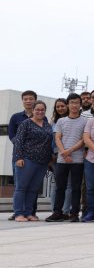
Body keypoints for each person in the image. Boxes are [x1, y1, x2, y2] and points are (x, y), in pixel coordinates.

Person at [46, 93, 87, 223]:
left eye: (76, 102)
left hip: (78, 159)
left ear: (80, 105)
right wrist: (63, 152)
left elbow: (83, 140)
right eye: (71, 102)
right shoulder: (61, 121)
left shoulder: (85, 121)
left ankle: (74, 214)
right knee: (60, 187)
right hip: (62, 159)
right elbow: (57, 137)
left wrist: (69, 151)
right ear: (68, 104)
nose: (74, 105)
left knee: (76, 187)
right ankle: (57, 212)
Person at [12, 100, 52, 222]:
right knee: (21, 187)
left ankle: (29, 213)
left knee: (33, 189)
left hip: (42, 162)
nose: (40, 112)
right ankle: (19, 213)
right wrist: (18, 158)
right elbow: (18, 141)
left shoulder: (47, 125)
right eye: (37, 109)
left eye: (42, 110)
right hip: (27, 160)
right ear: (33, 110)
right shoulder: (26, 123)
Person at [7, 90, 37, 221]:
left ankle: (30, 212)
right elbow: (11, 135)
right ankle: (17, 212)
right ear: (23, 101)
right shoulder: (16, 117)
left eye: (31, 99)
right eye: (26, 99)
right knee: (19, 185)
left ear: (35, 100)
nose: (28, 101)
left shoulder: (41, 116)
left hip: (35, 157)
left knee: (33, 185)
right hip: (19, 156)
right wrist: (22, 147)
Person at [48, 98, 70, 216]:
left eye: (62, 106)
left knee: (69, 185)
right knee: (56, 184)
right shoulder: (53, 122)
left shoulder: (72, 119)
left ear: (67, 106)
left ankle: (66, 211)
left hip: (71, 155)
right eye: (58, 106)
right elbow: (50, 140)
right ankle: (55, 211)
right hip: (55, 156)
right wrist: (51, 155)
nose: (60, 108)